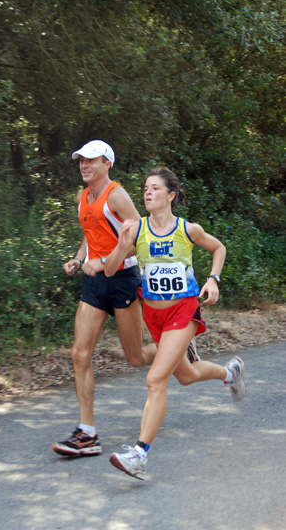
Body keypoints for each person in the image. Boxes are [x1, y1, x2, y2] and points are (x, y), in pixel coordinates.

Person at [52, 141, 199, 458]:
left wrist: (105, 261)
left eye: (91, 160)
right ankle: (87, 433)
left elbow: (140, 237)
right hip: (94, 282)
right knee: (80, 353)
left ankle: (176, 348)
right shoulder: (83, 197)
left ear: (107, 164)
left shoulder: (116, 195)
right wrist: (79, 259)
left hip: (122, 280)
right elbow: (89, 234)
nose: (84, 165)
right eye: (81, 160)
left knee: (133, 357)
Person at [105, 166, 246, 480]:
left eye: (155, 188)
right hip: (153, 316)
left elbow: (218, 248)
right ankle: (229, 372)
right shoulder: (137, 230)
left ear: (170, 196)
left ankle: (139, 455)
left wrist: (213, 280)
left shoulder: (188, 229)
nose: (147, 192)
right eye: (145, 188)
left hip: (183, 312)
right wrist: (121, 243)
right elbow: (112, 269)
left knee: (156, 380)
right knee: (186, 375)